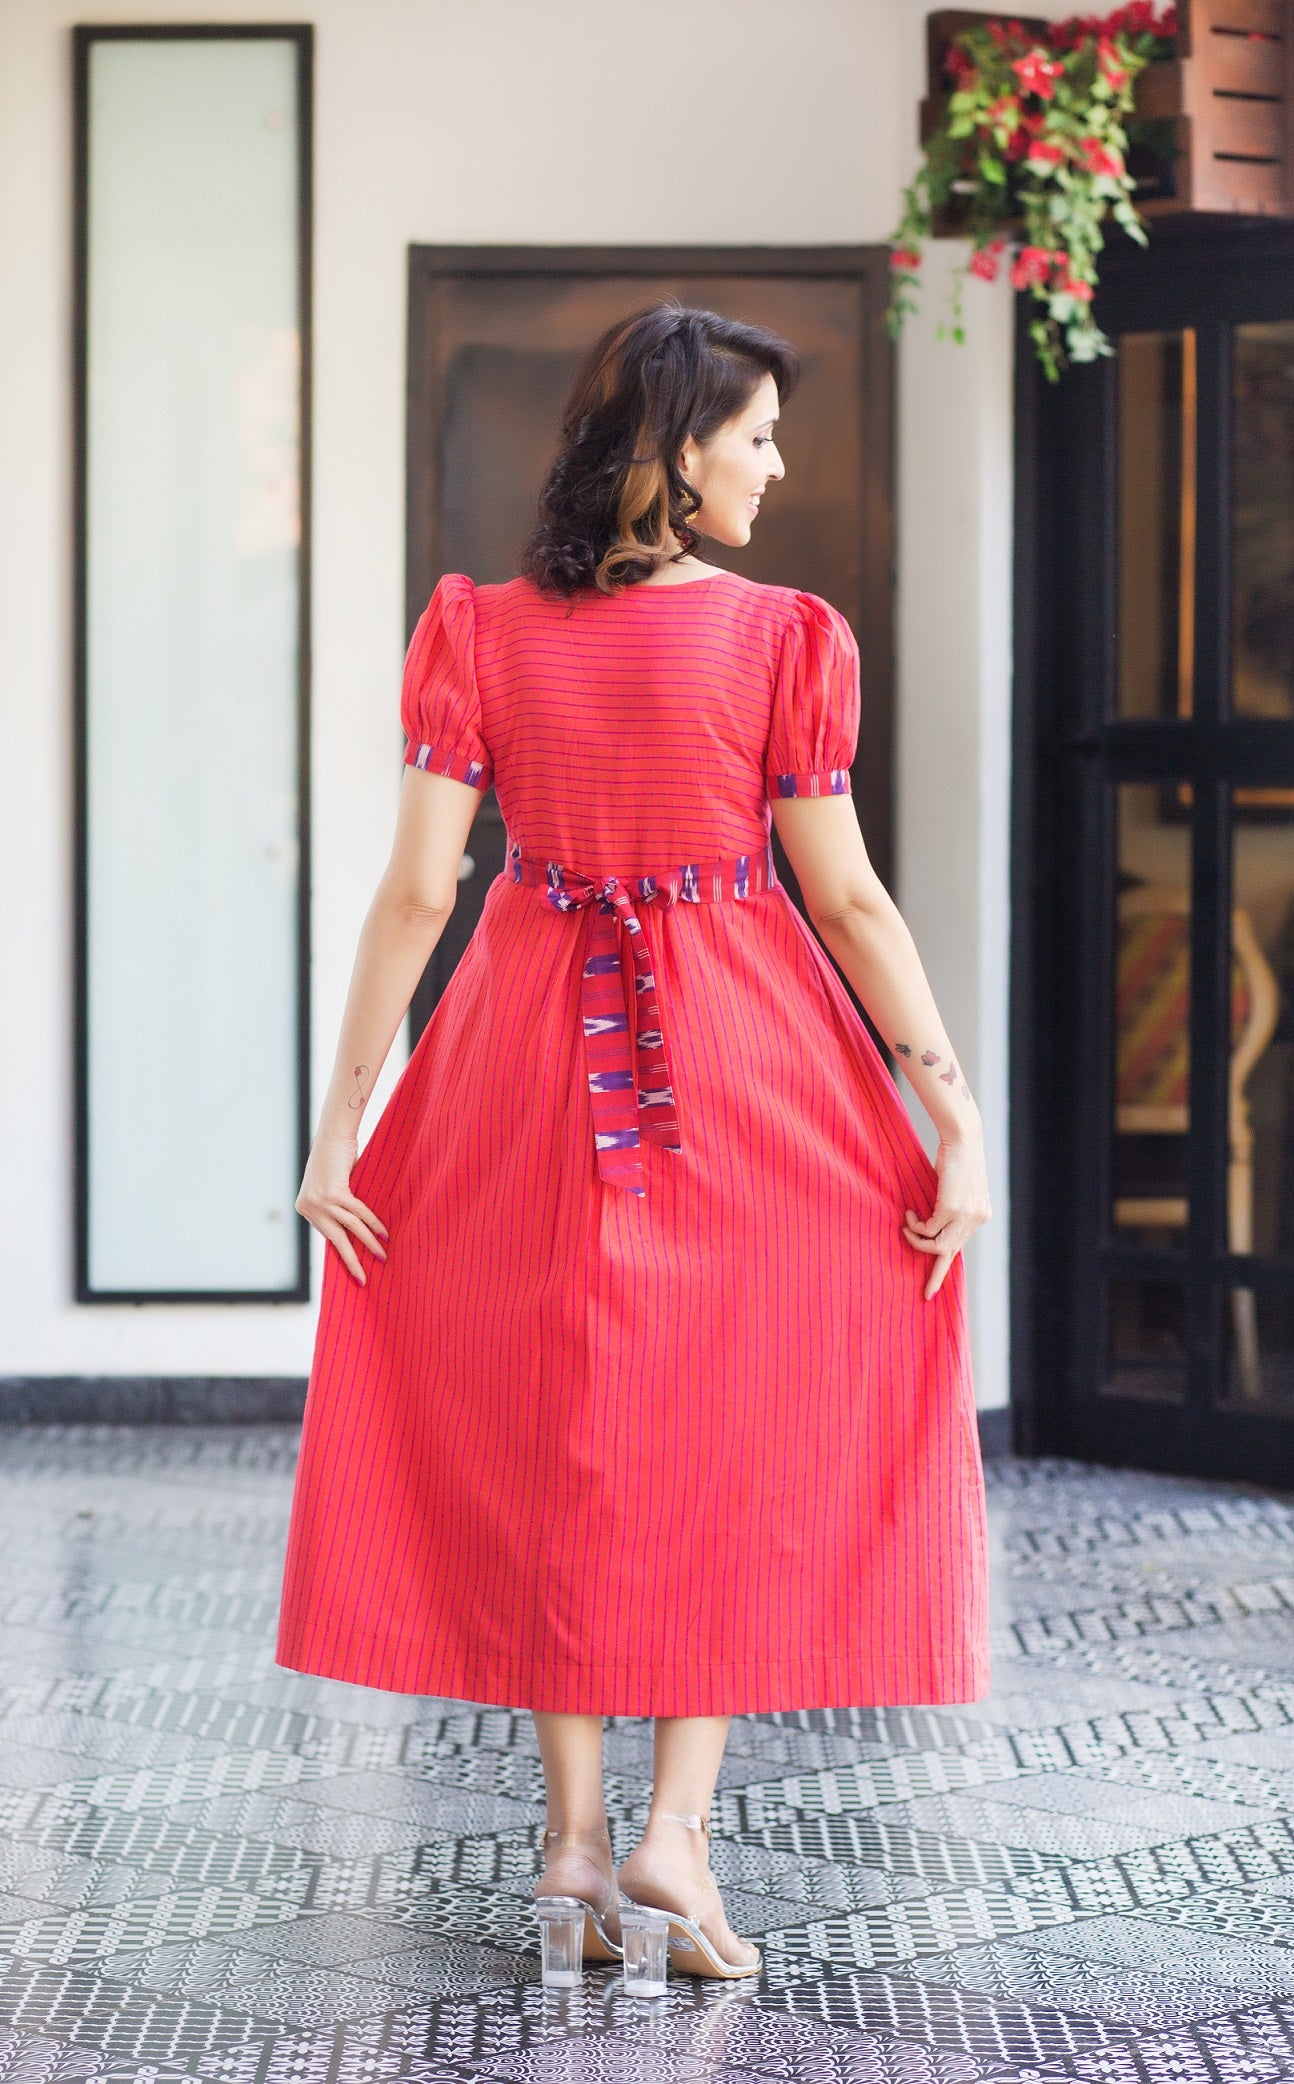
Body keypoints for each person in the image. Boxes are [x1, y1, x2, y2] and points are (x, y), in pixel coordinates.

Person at [277, 304, 991, 1981]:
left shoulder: (479, 632)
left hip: (521, 1061)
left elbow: (418, 890)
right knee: (732, 1428)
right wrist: (946, 1110)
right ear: (676, 451)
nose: (775, 463)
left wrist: (345, 1119)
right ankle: (678, 1839)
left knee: (558, 1431)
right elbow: (848, 897)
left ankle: (576, 1845)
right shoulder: (780, 639)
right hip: (749, 1062)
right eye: (752, 434)